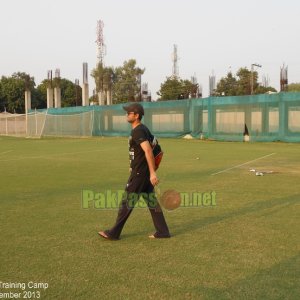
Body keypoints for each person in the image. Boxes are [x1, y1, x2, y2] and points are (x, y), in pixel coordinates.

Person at [98, 103, 170, 240]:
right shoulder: (142, 129)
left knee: (127, 202)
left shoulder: (138, 130)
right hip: (142, 172)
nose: (127, 114)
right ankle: (163, 231)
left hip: (140, 174)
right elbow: (140, 152)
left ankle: (113, 233)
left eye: (129, 113)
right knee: (151, 201)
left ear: (136, 116)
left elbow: (148, 150)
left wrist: (152, 173)